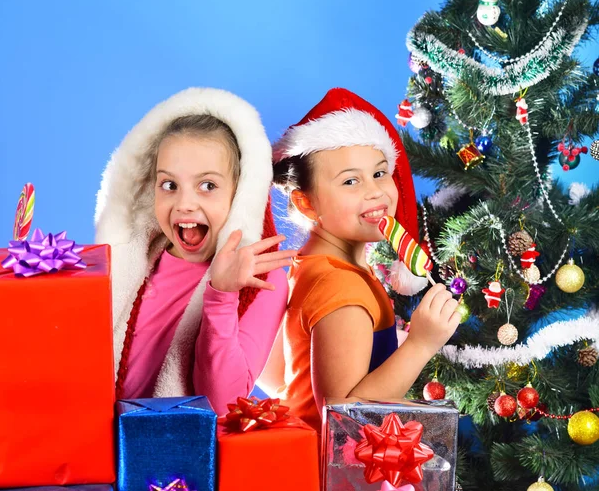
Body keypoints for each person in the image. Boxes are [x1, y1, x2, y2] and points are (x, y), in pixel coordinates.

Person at [269, 87, 460, 431]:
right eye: (350, 181)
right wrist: (420, 344)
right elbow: (343, 414)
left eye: (379, 172)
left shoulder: (320, 265)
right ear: (307, 203)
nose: (374, 191)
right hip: (330, 472)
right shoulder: (339, 286)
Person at [95, 87, 295, 414]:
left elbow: (221, 403)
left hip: (179, 455)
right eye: (169, 185)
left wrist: (222, 294)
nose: (185, 204)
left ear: (242, 193)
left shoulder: (261, 280)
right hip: (100, 449)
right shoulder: (132, 262)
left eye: (208, 186)